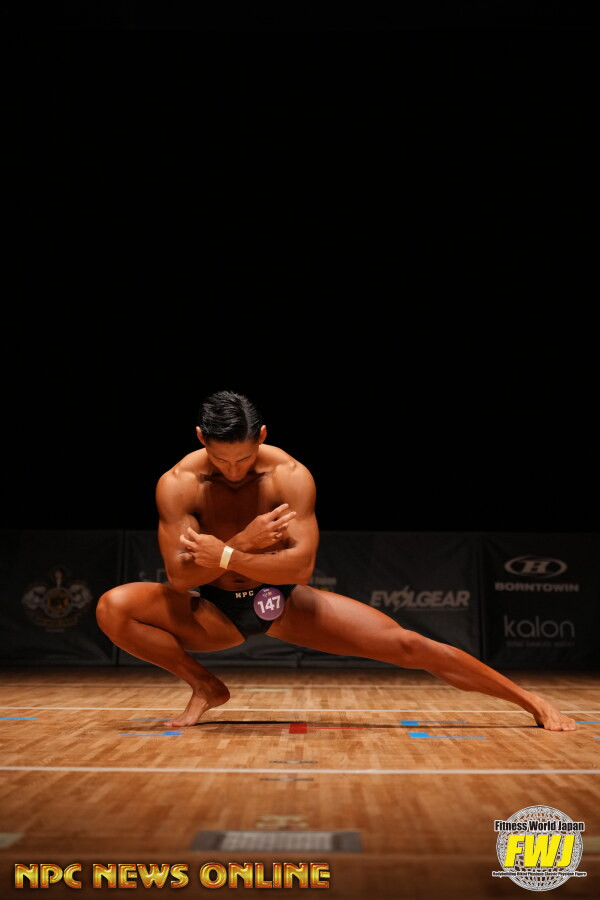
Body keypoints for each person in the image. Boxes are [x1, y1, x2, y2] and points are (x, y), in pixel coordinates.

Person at [96, 390, 576, 731]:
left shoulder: (289, 476)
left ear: (262, 435)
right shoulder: (177, 484)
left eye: (244, 458)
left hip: (280, 601)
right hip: (213, 612)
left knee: (409, 645)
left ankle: (528, 700)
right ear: (202, 438)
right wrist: (243, 543)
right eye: (222, 460)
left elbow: (299, 569)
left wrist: (224, 552)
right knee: (113, 607)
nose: (234, 471)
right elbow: (181, 579)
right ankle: (206, 686)